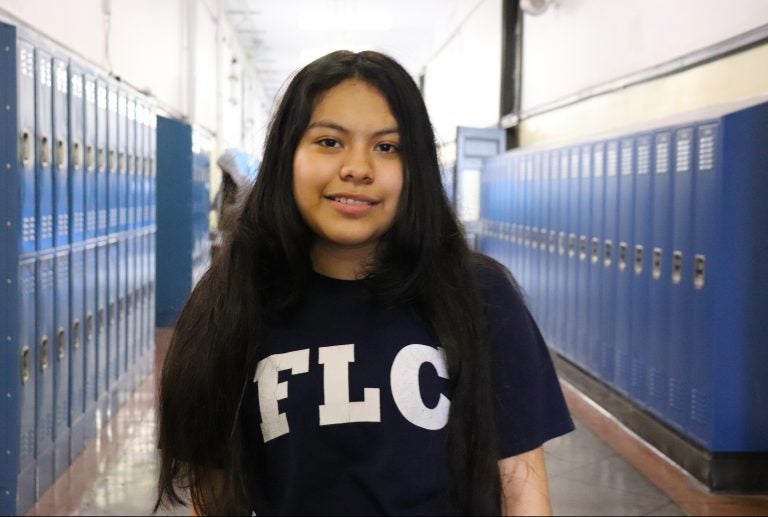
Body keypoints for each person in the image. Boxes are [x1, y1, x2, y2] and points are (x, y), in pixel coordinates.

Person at [154, 50, 574, 516]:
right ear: (287, 155)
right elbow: (213, 498)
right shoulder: (231, 303)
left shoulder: (479, 297)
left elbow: (522, 487)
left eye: (387, 147)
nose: (358, 167)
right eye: (329, 142)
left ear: (416, 169)